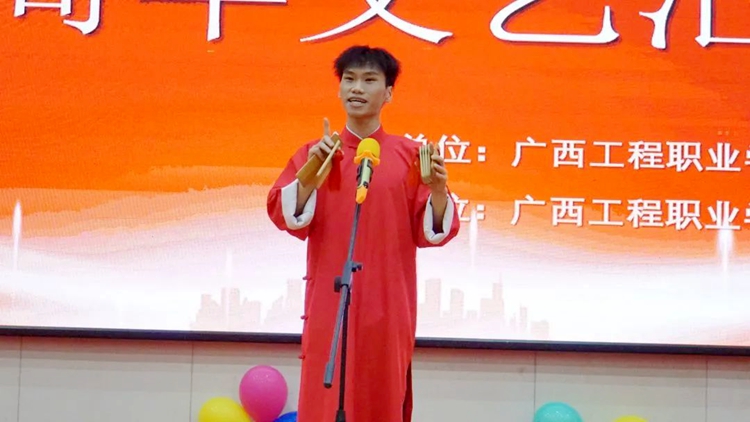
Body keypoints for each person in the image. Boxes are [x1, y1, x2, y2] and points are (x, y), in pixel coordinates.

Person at [266, 45, 461, 422]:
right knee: (325, 398)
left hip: (388, 306)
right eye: (349, 79)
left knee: (381, 395)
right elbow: (284, 213)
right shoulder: (316, 154)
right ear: (339, 88)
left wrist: (438, 190)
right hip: (330, 302)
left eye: (369, 80)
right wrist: (310, 174)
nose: (357, 88)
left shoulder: (410, 155)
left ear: (388, 93)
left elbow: (435, 230)